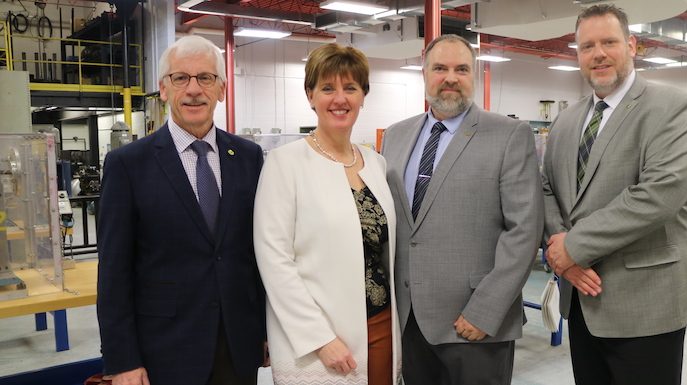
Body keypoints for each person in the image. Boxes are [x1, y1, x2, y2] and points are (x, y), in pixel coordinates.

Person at [542, 4, 687, 385]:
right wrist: (561, 255)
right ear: (577, 53)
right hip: (583, 300)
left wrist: (574, 247)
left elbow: (658, 195)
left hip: (648, 304)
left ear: (632, 45)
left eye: (608, 42)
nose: (598, 53)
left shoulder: (674, 109)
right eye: (587, 46)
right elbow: (547, 188)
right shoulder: (567, 121)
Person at [96, 35, 266, 385]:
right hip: (165, 351)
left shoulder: (248, 158)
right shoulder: (128, 165)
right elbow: (114, 272)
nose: (193, 89)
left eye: (205, 78)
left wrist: (266, 331)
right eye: (181, 78)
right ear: (163, 89)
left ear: (221, 89)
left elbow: (257, 254)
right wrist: (122, 359)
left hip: (237, 346)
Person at [382, 34, 542, 385]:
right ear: (424, 74)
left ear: (474, 76)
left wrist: (485, 311)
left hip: (475, 324)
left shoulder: (509, 135)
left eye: (461, 69)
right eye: (440, 68)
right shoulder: (396, 135)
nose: (450, 78)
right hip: (410, 322)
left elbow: (525, 231)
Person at [253, 43, 400, 385]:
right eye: (328, 88)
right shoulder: (284, 163)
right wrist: (320, 338)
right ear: (310, 95)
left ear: (363, 96)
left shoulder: (376, 165)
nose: (340, 99)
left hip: (381, 328)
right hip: (317, 343)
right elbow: (275, 260)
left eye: (350, 88)